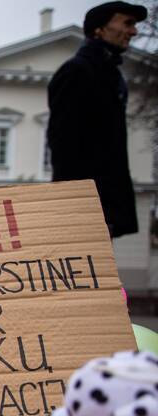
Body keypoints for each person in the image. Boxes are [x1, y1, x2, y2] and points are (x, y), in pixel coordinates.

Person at [47, 1, 147, 238]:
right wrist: (75, 207)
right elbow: (63, 144)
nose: (133, 31)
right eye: (127, 23)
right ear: (99, 28)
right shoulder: (77, 71)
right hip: (86, 207)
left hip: (102, 204)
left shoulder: (110, 74)